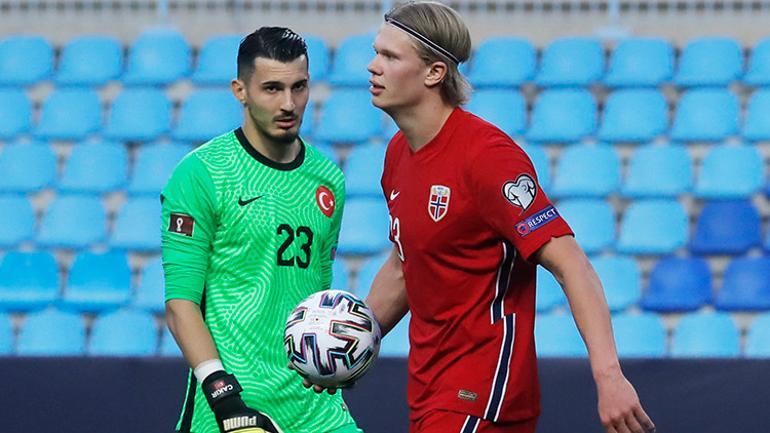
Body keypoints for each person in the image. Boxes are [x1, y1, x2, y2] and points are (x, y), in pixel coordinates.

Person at [362, 2, 655, 433]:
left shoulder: (487, 157)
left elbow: (571, 263)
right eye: (376, 52)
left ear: (434, 73)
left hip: (485, 393)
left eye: (390, 56)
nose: (372, 67)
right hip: (429, 391)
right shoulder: (396, 156)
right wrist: (352, 341)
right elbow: (406, 266)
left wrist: (609, 375)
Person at [161, 27, 361, 433]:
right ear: (241, 90)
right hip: (233, 405)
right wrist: (222, 395)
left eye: (299, 87)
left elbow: (317, 293)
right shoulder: (201, 174)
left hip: (316, 408)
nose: (289, 103)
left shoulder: (328, 179)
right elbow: (180, 307)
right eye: (272, 88)